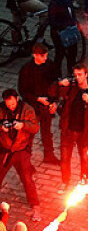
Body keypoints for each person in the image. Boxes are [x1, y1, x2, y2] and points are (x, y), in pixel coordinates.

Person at [50, 64, 88, 193]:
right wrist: (59, 84)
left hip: (84, 132)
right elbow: (52, 92)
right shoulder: (71, 88)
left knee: (84, 157)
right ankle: (65, 182)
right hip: (68, 130)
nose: (77, 78)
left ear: (86, 74)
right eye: (75, 75)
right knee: (65, 157)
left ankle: (83, 181)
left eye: (80, 75)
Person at [0, 89, 41, 222]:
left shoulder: (27, 109)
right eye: (8, 104)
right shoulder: (1, 109)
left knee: (27, 179)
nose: (10, 106)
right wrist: (1, 127)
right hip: (5, 149)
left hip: (21, 150)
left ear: (17, 98)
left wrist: (23, 125)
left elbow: (35, 127)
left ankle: (36, 207)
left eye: (12, 103)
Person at [17, 43, 59, 164]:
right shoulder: (26, 69)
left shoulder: (49, 65)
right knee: (29, 135)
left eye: (46, 56)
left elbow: (55, 84)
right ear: (35, 55)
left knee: (46, 132)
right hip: (32, 107)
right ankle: (26, 162)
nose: (45, 59)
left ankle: (49, 156)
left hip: (46, 105)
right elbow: (23, 91)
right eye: (42, 56)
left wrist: (54, 102)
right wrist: (37, 99)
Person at [48, 0, 82, 76]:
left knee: (72, 54)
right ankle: (57, 75)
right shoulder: (54, 4)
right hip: (59, 33)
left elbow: (72, 14)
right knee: (60, 54)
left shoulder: (68, 0)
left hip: (70, 31)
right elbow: (52, 21)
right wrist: (66, 24)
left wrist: (74, 22)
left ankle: (71, 73)